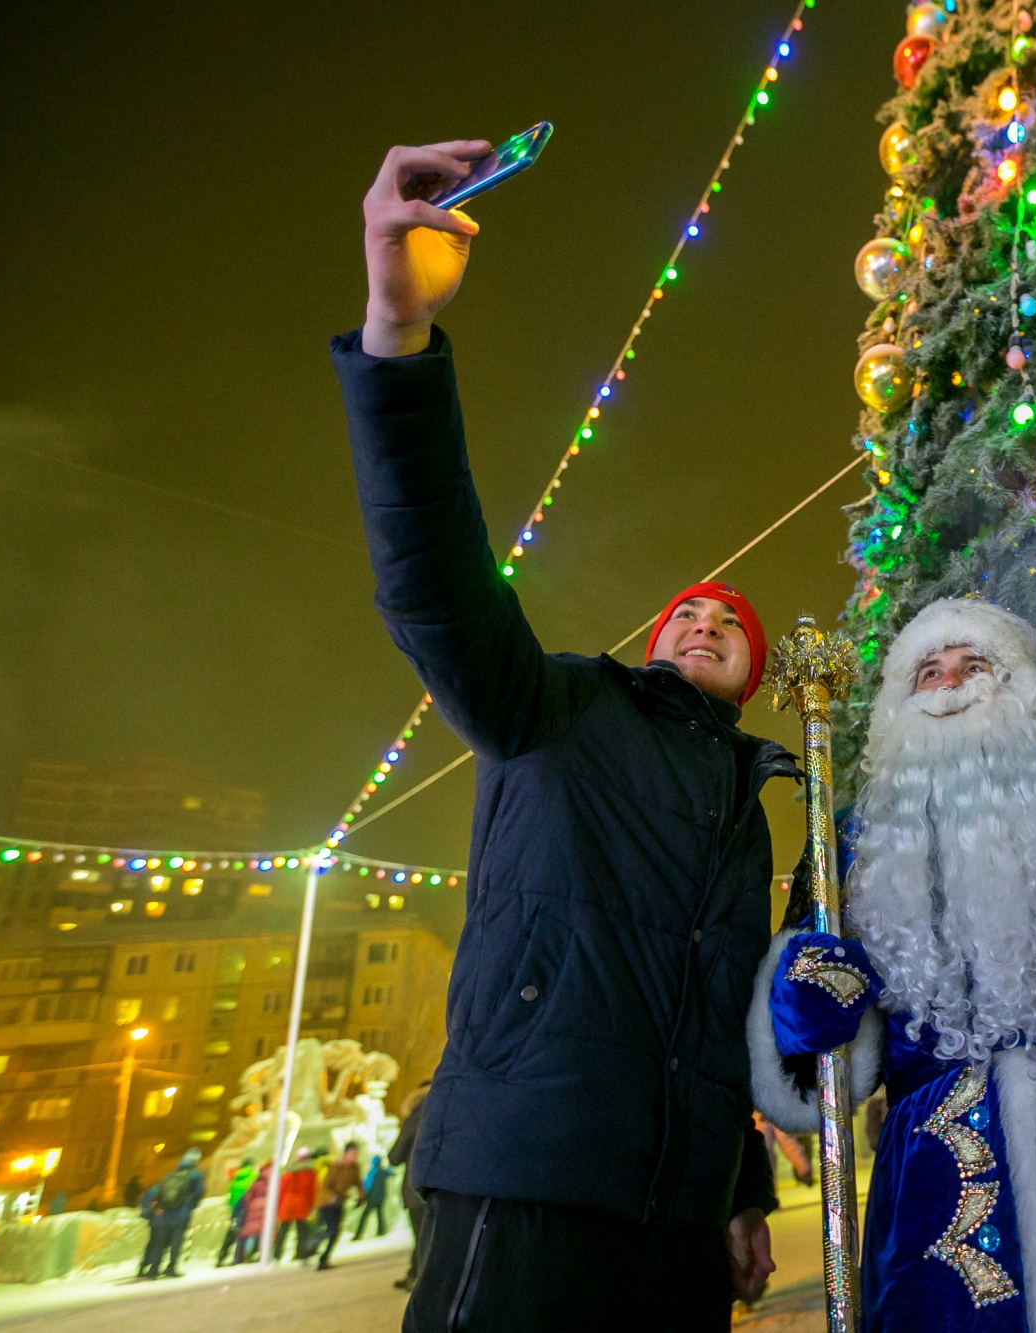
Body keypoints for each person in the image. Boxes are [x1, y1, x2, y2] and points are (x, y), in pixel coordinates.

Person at [330, 139, 793, 1331]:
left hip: (678, 1221)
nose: (700, 619)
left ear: (754, 673)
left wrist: (739, 1191)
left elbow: (725, 1010)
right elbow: (435, 583)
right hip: (525, 1177)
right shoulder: (557, 709)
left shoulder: (749, 803)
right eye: (684, 612)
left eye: (725, 622)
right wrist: (397, 337)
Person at [750, 598, 1036, 1333]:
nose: (949, 683)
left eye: (972, 666)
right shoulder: (853, 845)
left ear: (1014, 686)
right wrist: (809, 1002)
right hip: (938, 1165)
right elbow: (810, 1068)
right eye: (929, 671)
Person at [136, 1148, 206, 1279]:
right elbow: (199, 1193)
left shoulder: (170, 1175)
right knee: (176, 1242)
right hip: (182, 1213)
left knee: (159, 1242)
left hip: (165, 1215)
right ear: (195, 1161)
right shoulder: (196, 1175)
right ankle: (171, 1268)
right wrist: (191, 1206)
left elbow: (160, 1195)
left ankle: (154, 1270)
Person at [390, 1082, 427, 1292]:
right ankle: (414, 1275)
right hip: (447, 1187)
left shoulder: (416, 1116)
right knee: (427, 1236)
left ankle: (418, 1280)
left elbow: (394, 1156)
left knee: (422, 1236)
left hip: (418, 1187)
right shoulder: (450, 1107)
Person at [314, 1144, 362, 1270]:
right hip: (326, 1203)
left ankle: (323, 1258)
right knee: (332, 1230)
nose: (354, 1157)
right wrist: (332, 1198)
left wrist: (361, 1196)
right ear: (346, 1153)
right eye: (352, 1154)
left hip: (339, 1202)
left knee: (335, 1231)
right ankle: (319, 1253)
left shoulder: (354, 1168)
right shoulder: (335, 1167)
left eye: (355, 1154)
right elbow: (325, 1186)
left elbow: (358, 1183)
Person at [274, 1147, 318, 1261]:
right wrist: (312, 1206)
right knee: (302, 1231)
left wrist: (278, 1206)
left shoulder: (289, 1172)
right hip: (301, 1204)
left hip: (287, 1203)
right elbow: (312, 1191)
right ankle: (300, 1253)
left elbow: (281, 1190)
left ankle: (276, 1254)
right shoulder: (310, 1173)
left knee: (283, 1230)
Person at [215, 1157, 257, 1266]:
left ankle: (222, 1255)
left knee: (233, 1232)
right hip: (248, 1207)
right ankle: (244, 1255)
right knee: (248, 1233)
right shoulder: (254, 1176)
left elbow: (230, 1195)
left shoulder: (236, 1178)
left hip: (235, 1209)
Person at [232, 1163, 272, 1266]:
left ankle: (246, 1254)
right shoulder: (274, 1181)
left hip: (253, 1208)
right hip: (268, 1208)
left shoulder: (253, 1181)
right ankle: (262, 1254)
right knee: (265, 1232)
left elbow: (247, 1196)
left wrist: (251, 1205)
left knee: (249, 1233)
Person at [354, 1154, 391, 1240]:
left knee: (365, 1216)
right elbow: (391, 1172)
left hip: (371, 1198)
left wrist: (363, 1196)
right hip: (380, 1197)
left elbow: (367, 1186)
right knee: (380, 1214)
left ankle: (358, 1234)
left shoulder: (371, 1172)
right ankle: (381, 1231)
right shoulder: (383, 1171)